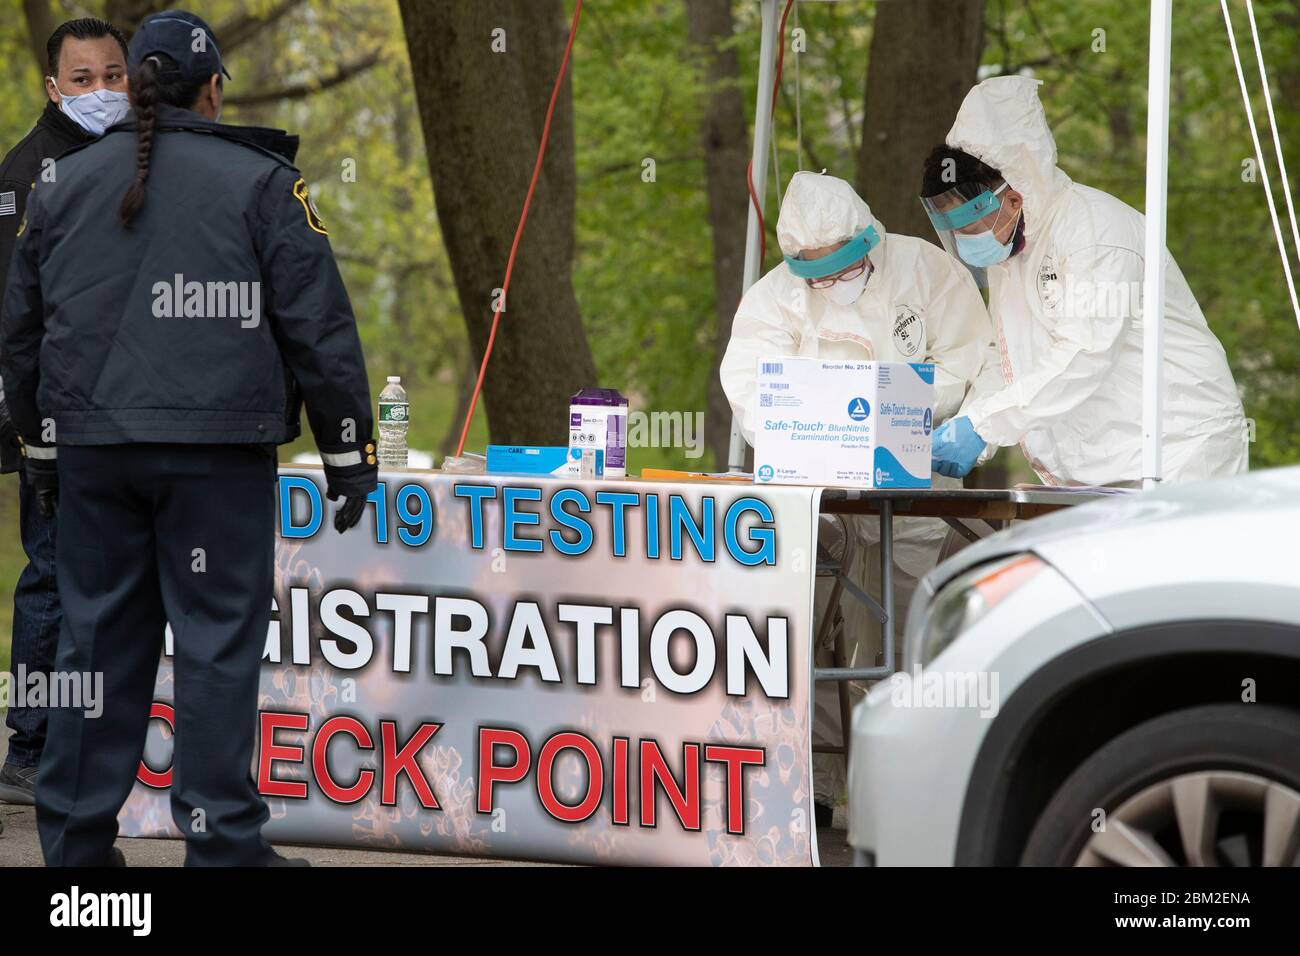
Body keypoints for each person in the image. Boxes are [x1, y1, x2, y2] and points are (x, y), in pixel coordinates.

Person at [1, 9, 377, 866]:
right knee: (214, 646)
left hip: (96, 452)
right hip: (217, 455)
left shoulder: (62, 185)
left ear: (133, 85)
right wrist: (350, 455)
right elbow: (318, 329)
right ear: (213, 89)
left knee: (95, 645)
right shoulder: (263, 183)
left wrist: (40, 447)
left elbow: (20, 331)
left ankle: (77, 856)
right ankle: (222, 849)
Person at [720, 171, 994, 821]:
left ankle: (911, 793)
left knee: (917, 629)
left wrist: (903, 408)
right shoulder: (773, 300)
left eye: (843, 269)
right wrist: (808, 426)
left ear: (869, 239)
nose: (832, 285)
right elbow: (752, 387)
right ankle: (813, 786)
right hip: (816, 492)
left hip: (918, 481)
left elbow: (972, 359)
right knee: (807, 623)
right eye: (816, 276)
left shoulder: (927, 273)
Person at [921, 75, 1248, 485]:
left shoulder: (1096, 232)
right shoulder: (1012, 253)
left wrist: (984, 425)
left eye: (972, 223)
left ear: (1014, 195)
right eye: (955, 228)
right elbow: (1010, 362)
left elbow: (1087, 352)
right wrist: (970, 423)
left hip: (1177, 449)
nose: (968, 239)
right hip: (1105, 460)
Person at [0, 16, 130, 806]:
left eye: (113, 76)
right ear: (55, 88)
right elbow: (13, 315)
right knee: (52, 575)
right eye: (83, 81)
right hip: (53, 417)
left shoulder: (137, 153)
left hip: (126, 412)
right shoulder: (24, 172)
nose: (102, 93)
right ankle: (29, 745)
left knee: (109, 580)